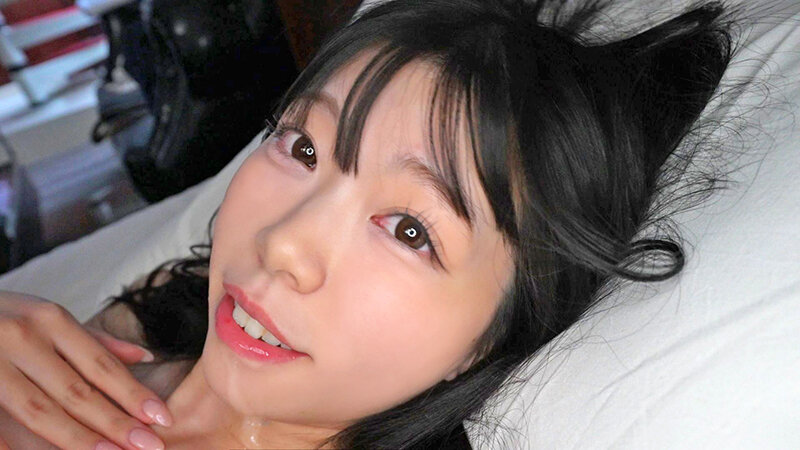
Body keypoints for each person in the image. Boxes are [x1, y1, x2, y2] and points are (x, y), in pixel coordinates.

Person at [0, 0, 737, 448]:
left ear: (486, 342)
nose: (283, 243)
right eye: (303, 147)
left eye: (411, 230)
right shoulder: (115, 339)